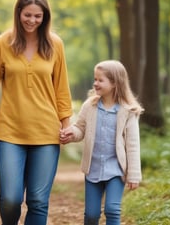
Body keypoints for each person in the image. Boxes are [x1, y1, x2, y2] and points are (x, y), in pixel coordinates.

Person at [0, 0, 73, 225]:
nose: (32, 21)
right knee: (10, 198)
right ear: (18, 13)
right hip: (11, 133)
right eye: (27, 15)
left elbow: (61, 88)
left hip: (46, 133)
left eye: (37, 16)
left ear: (45, 17)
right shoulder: (3, 43)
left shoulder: (55, 44)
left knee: (38, 201)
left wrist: (67, 124)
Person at [60, 60, 143, 225]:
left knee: (112, 210)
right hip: (93, 169)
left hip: (116, 170)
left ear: (114, 83)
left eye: (100, 80)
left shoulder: (127, 111)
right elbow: (80, 129)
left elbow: (132, 145)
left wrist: (134, 174)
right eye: (95, 79)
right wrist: (71, 133)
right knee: (91, 215)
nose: (95, 83)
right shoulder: (89, 106)